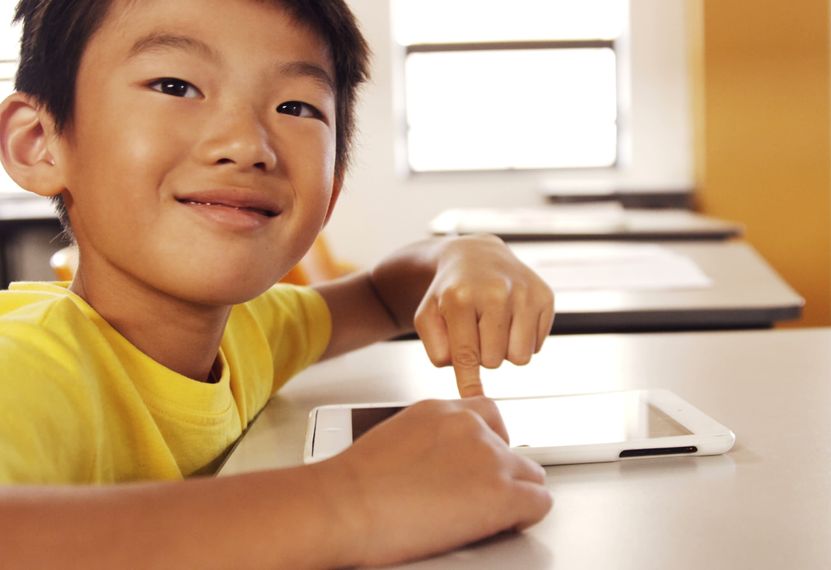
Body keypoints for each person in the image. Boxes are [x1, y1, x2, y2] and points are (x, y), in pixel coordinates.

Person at [0, 0, 554, 567]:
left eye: (296, 106)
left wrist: (464, 253)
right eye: (175, 85)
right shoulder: (25, 368)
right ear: (39, 141)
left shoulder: (248, 333)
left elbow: (380, 296)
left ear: (332, 186)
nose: (247, 145)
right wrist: (356, 501)